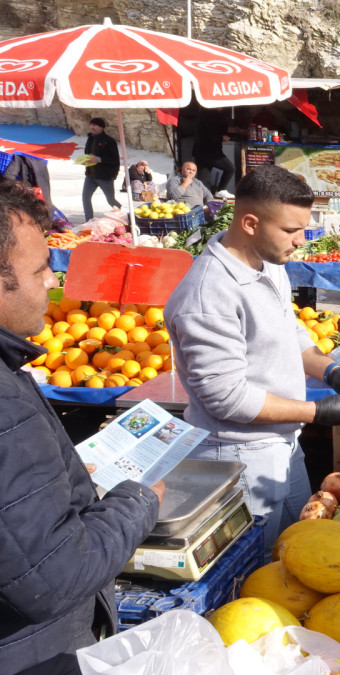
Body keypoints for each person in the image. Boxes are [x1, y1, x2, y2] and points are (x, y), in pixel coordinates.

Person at [0, 181, 164, 675]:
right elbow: (53, 577)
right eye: (39, 269)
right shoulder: (5, 406)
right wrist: (138, 503)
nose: (53, 281)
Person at [165, 165, 340, 545]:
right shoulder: (208, 295)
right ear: (251, 223)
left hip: (283, 446)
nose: (301, 240)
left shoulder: (268, 265)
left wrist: (330, 370)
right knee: (254, 569)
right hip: (239, 458)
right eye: (291, 230)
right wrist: (316, 412)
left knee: (293, 550)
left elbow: (290, 332)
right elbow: (226, 397)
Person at [81, 117, 120, 221]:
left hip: (104, 176)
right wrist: (86, 160)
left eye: (95, 125)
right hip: (90, 175)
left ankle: (125, 215)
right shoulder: (90, 138)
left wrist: (98, 159)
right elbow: (88, 154)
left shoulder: (109, 141)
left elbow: (114, 159)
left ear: (101, 127)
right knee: (85, 198)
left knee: (111, 200)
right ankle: (89, 221)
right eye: (91, 124)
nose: (92, 127)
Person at [193, 107, 238, 194]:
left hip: (201, 151)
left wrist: (238, 131)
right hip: (211, 152)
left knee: (202, 180)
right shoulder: (211, 115)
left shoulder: (205, 114)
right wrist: (222, 137)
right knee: (230, 168)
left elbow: (219, 129)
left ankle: (196, 197)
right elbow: (212, 133)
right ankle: (220, 191)